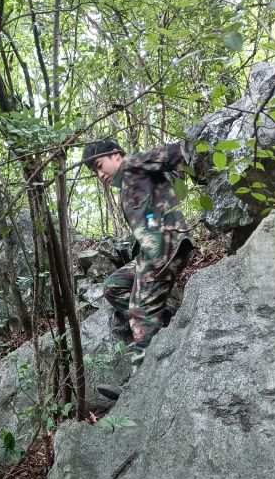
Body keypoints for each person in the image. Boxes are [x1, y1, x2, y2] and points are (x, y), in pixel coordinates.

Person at [82, 138, 194, 395]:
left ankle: (139, 387)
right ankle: (163, 319)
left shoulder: (132, 163)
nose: (100, 175)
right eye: (95, 172)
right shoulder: (128, 182)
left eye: (99, 166)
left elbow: (179, 152)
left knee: (140, 312)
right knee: (113, 287)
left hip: (166, 244)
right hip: (149, 253)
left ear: (116, 155)